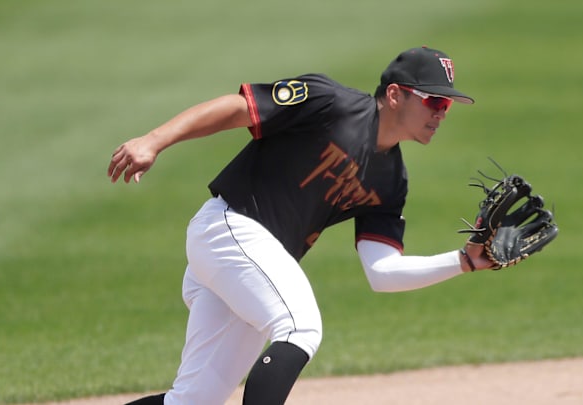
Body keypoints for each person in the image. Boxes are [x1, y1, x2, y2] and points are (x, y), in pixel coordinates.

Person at [108, 46, 494, 405]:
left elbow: (382, 272)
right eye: (434, 100)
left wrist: (464, 261)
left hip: (249, 262)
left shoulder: (391, 180)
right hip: (230, 227)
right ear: (395, 95)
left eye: (447, 104)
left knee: (193, 401)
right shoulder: (330, 101)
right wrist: (154, 140)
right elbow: (238, 108)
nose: (442, 111)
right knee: (300, 328)